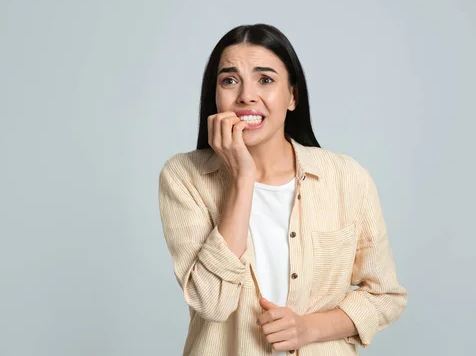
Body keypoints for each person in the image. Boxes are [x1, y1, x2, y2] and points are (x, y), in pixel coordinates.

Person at [158, 24, 408, 356]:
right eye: (229, 80)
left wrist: (309, 329)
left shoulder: (347, 178)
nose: (246, 95)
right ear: (215, 95)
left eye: (265, 79)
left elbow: (384, 295)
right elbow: (212, 302)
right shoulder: (184, 177)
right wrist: (242, 178)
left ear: (292, 96)